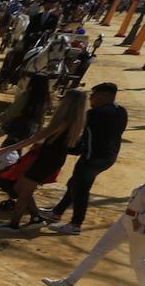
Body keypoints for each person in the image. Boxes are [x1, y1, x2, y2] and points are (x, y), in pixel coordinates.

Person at [0, 88, 88, 231]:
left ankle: (14, 225)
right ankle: (36, 217)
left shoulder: (63, 121)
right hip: (52, 159)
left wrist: (8, 148)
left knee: (23, 192)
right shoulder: (76, 120)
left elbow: (35, 138)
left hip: (46, 160)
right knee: (20, 188)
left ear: (68, 102)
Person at [42, 180, 145, 286]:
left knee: (137, 261)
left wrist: (140, 221)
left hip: (139, 228)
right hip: (125, 221)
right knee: (98, 251)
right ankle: (68, 283)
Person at [46, 82, 128, 234]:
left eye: (93, 96)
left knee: (80, 188)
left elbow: (79, 132)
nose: (91, 99)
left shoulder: (95, 114)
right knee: (74, 183)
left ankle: (76, 224)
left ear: (104, 96)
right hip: (108, 157)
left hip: (92, 157)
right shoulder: (121, 111)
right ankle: (57, 212)